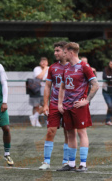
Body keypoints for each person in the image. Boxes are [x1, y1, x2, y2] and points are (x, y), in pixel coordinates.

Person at [57, 42, 99, 172]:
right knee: (70, 134)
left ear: (71, 52)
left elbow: (95, 85)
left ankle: (83, 164)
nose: (63, 55)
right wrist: (59, 103)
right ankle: (70, 164)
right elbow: (62, 87)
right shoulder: (66, 68)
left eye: (64, 52)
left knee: (82, 132)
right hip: (67, 106)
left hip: (79, 106)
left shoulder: (84, 66)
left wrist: (86, 101)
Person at [38, 41, 72, 170]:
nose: (55, 53)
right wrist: (45, 104)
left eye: (58, 50)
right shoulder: (52, 67)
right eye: (55, 50)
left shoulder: (73, 66)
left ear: (65, 51)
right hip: (53, 103)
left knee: (68, 132)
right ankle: (46, 162)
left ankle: (66, 161)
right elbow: (47, 86)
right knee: (50, 131)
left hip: (69, 104)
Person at [29, 57, 49, 127]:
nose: (44, 63)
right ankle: (35, 121)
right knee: (36, 106)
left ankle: (34, 117)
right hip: (36, 89)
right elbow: (40, 77)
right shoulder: (37, 69)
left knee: (45, 104)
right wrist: (45, 69)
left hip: (45, 89)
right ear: (40, 63)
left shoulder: (49, 68)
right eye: (42, 62)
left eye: (45, 62)